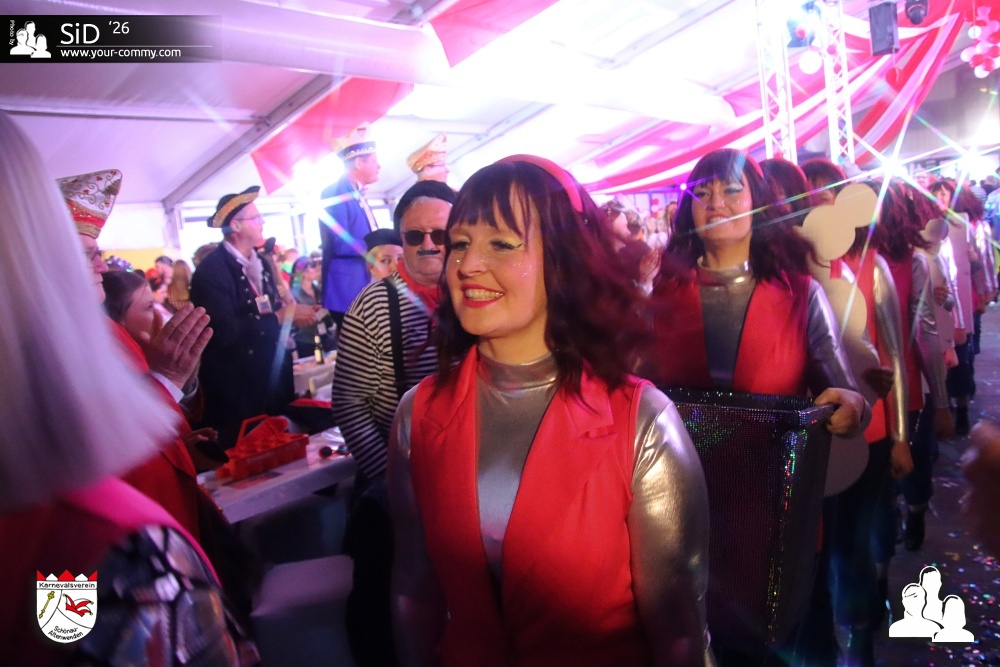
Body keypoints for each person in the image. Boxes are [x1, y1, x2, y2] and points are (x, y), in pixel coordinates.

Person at [389, 156, 712, 666]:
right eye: (460, 243)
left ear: (563, 258)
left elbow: (681, 634)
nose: (468, 265)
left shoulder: (640, 421)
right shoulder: (419, 415)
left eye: (501, 244)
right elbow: (413, 590)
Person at [0, 110, 257, 666]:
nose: (99, 259)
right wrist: (164, 381)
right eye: (82, 250)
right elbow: (67, 628)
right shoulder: (99, 539)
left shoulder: (100, 333)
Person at [645, 148, 866, 666]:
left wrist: (853, 407)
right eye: (702, 193)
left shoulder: (800, 295)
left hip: (773, 516)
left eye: (731, 190)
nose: (716, 203)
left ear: (758, 203)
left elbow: (843, 390)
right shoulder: (660, 296)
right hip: (678, 513)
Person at [333, 180, 454, 667]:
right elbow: (349, 403)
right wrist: (395, 483)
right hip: (401, 492)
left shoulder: (472, 292)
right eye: (414, 235)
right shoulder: (374, 305)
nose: (428, 245)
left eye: (440, 234)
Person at [190, 185, 317, 446]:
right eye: (256, 217)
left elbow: (269, 308)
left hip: (272, 380)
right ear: (235, 226)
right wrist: (280, 318)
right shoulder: (211, 272)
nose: (262, 222)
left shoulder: (259, 262)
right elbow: (224, 331)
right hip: (239, 391)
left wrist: (292, 318)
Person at [320, 122, 381, 324]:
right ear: (359, 163)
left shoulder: (356, 193)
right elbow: (340, 243)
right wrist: (377, 244)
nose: (379, 166)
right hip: (347, 292)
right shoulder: (335, 193)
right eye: (374, 160)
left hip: (360, 286)